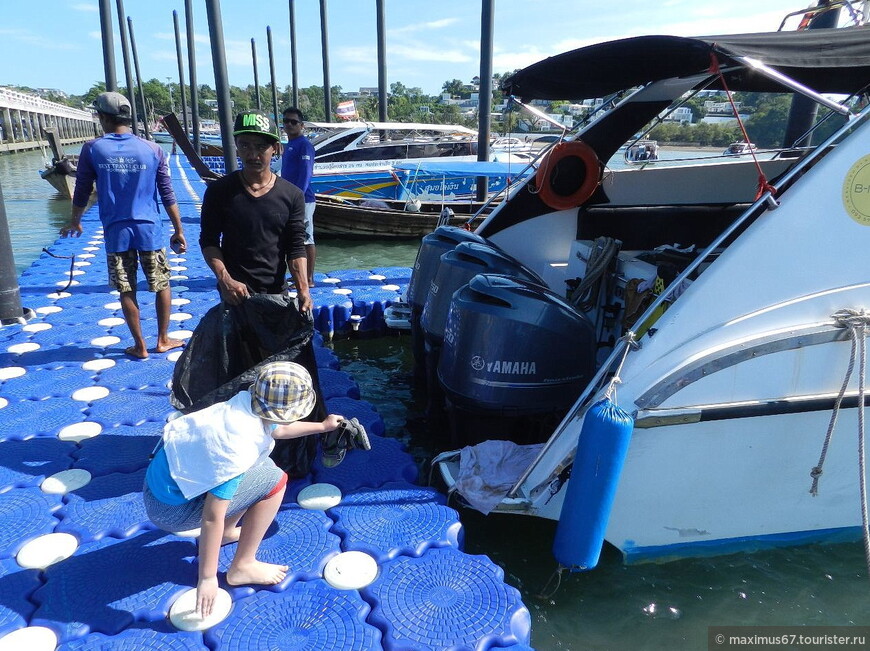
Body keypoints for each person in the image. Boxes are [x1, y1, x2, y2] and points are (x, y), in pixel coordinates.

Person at [143, 361, 360, 618]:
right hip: (172, 511)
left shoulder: (244, 404)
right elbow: (211, 517)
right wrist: (208, 578)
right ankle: (241, 567)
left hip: (161, 488)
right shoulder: (237, 450)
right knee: (274, 480)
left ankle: (227, 535)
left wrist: (323, 427)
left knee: (260, 468)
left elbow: (276, 428)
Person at [60, 91, 187, 359]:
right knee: (162, 284)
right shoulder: (152, 149)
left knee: (126, 288)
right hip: (149, 228)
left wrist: (75, 221)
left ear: (103, 117)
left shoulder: (93, 149)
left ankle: (140, 345)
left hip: (116, 231)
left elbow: (81, 189)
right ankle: (162, 339)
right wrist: (178, 229)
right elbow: (167, 193)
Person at [200, 109, 312, 313]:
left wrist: (304, 289)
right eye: (245, 145)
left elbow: (295, 248)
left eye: (261, 147)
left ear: (275, 148)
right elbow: (209, 241)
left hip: (276, 295)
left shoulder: (292, 195)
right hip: (234, 296)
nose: (253, 155)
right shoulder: (219, 191)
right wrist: (225, 280)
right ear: (237, 147)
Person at [279, 107, 316, 286]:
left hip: (303, 200)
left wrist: (297, 197)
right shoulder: (289, 145)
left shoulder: (304, 145)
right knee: (293, 238)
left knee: (306, 238)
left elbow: (306, 174)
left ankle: (309, 279)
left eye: (293, 122)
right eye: (286, 121)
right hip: (288, 198)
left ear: (301, 125)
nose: (289, 124)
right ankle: (297, 275)